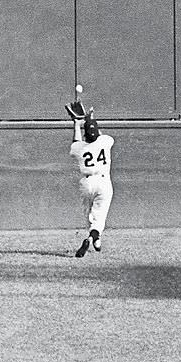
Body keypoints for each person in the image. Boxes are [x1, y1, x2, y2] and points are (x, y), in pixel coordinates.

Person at [70, 108, 114, 257]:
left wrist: (77, 124)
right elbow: (98, 134)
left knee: (89, 215)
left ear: (85, 135)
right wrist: (91, 119)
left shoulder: (79, 148)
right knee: (99, 217)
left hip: (87, 183)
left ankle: (95, 239)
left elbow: (76, 142)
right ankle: (92, 237)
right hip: (103, 181)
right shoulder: (106, 141)